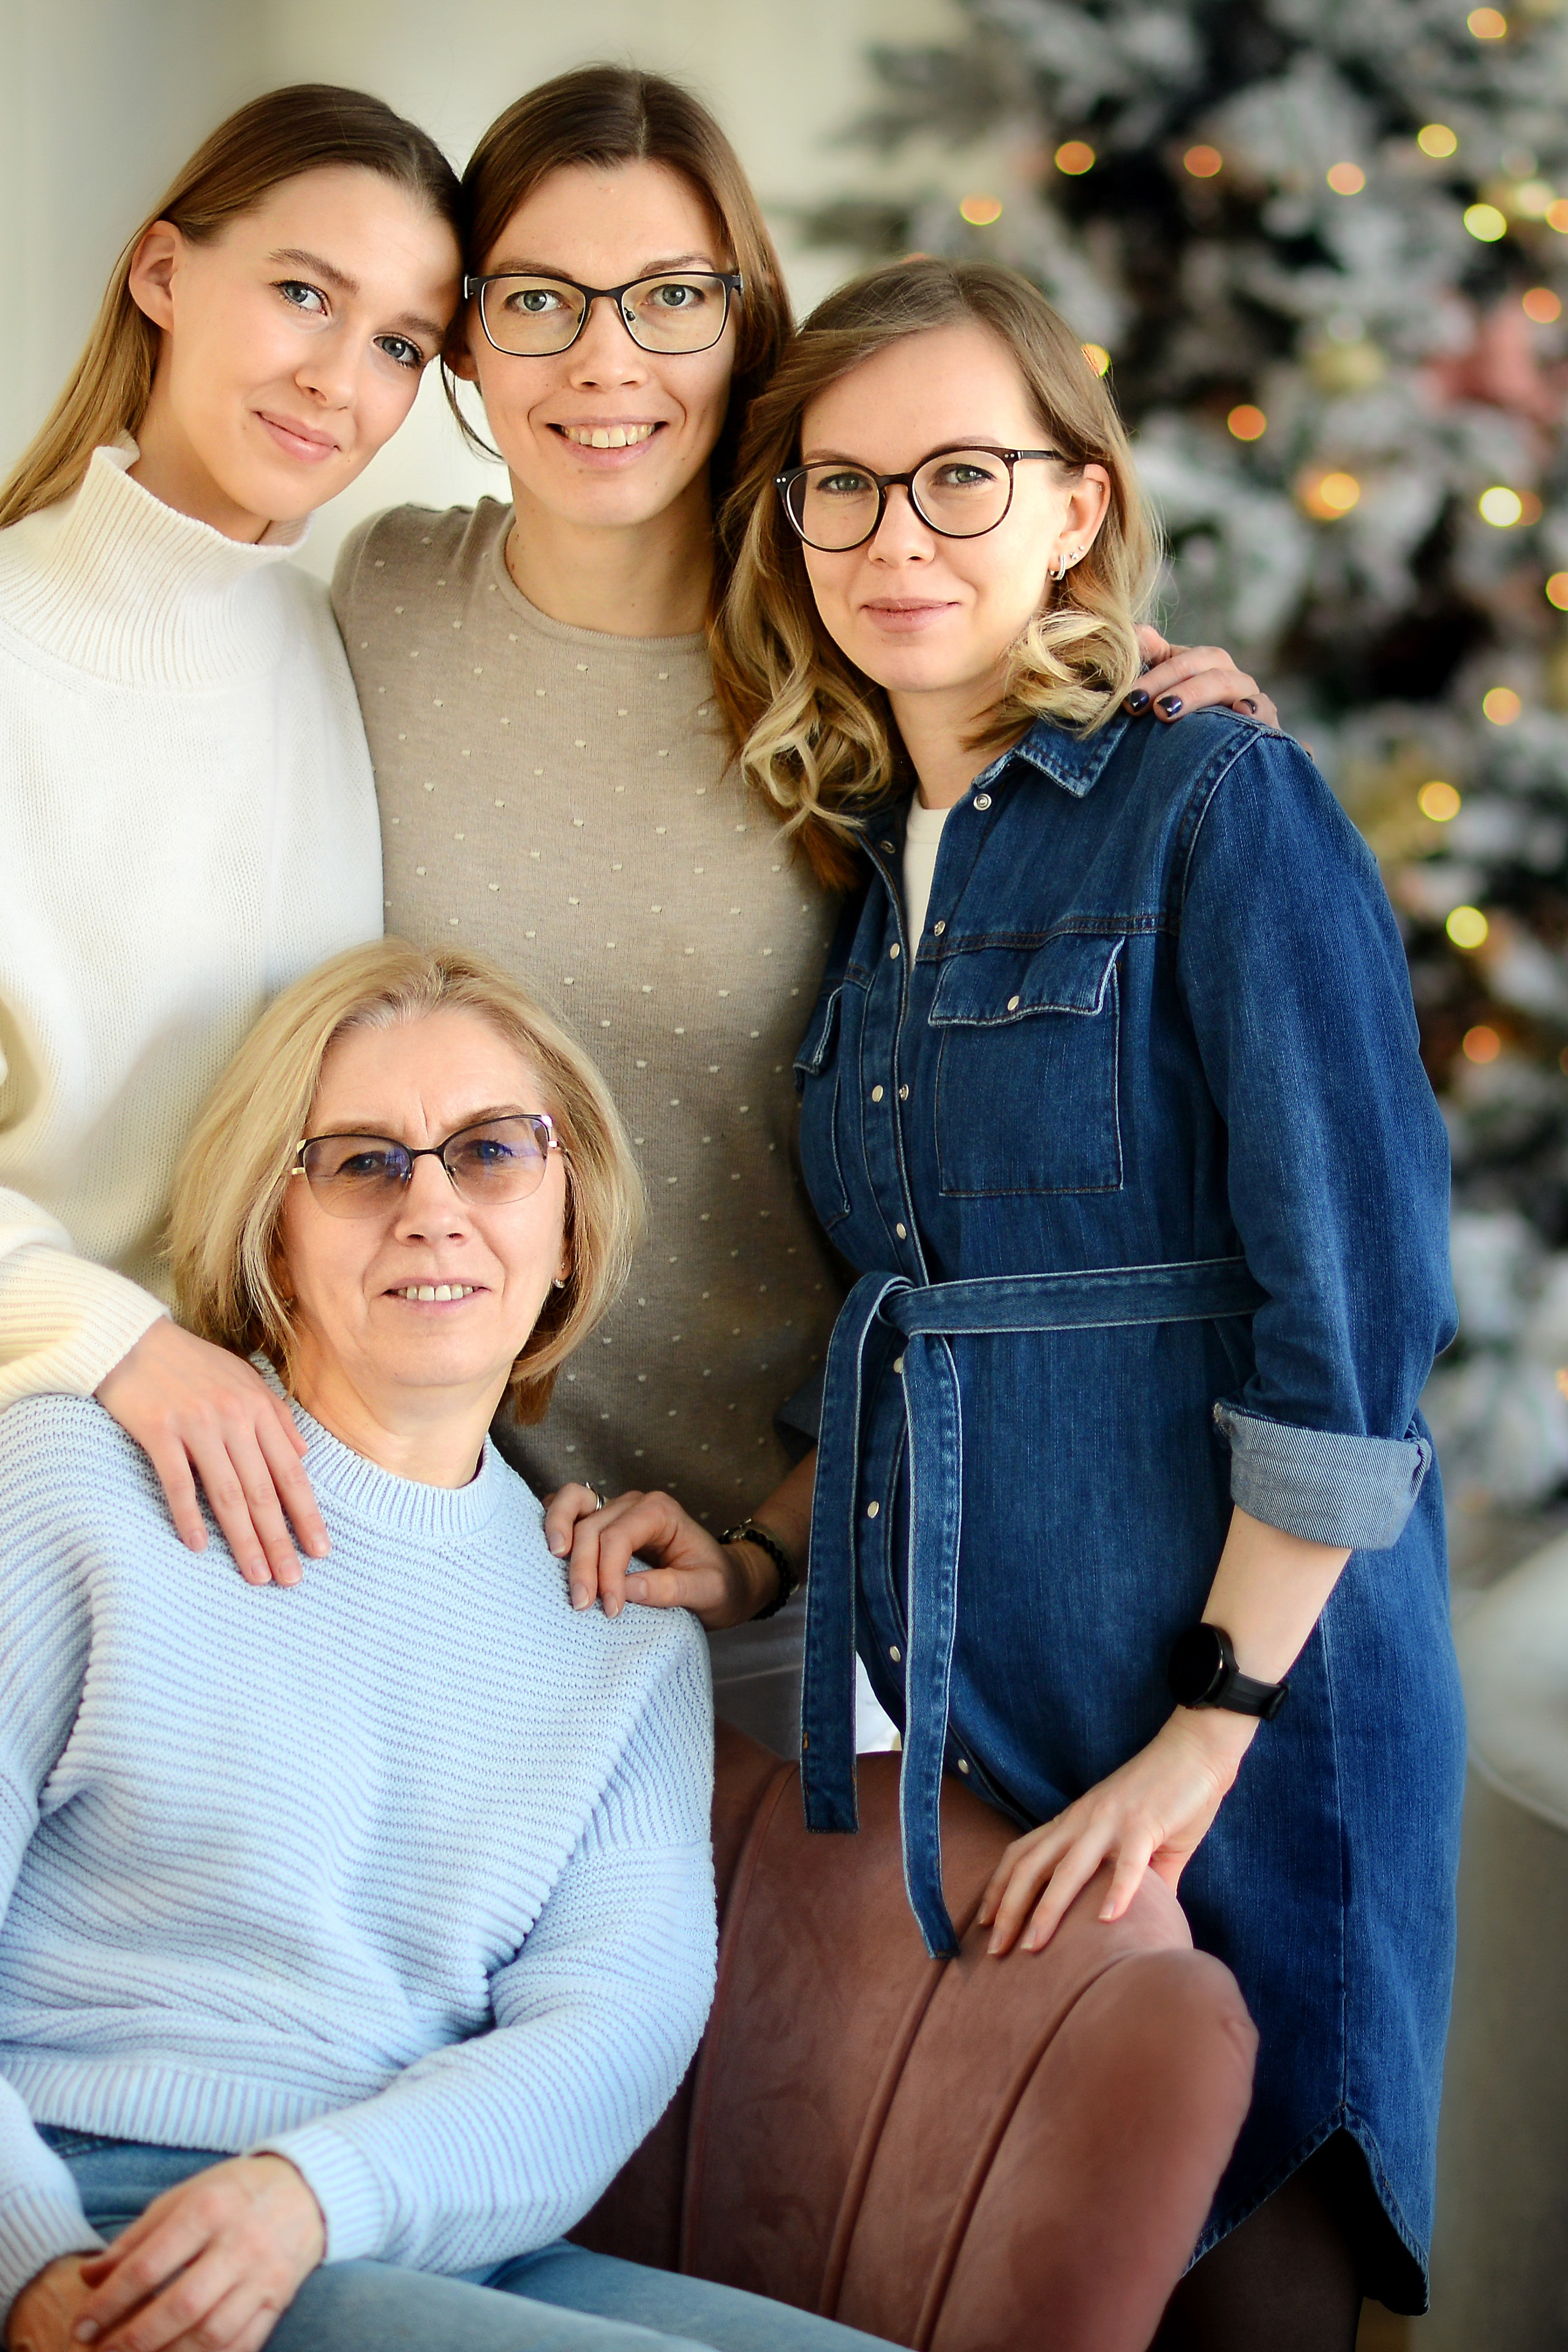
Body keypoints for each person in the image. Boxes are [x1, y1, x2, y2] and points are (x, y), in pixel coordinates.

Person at [547, 258, 1464, 2350]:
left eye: (963, 478)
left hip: (1248, 1721)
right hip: (970, 1723)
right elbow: (924, 1302)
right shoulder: (873, 867)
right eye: (842, 491)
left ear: (1076, 501)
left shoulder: (1220, 805)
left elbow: (1355, 1330)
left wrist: (1204, 1744)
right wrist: (762, 1542)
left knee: (1251, 2296)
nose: (898, 542)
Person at [333, 61, 1278, 1753]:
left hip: (784, 1574)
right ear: (465, 335)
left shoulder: (852, 654)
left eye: (672, 298)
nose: (607, 360)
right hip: (425, 1537)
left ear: (746, 321)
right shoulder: (378, 595)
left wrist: (1142, 685)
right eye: (540, 298)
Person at [0, 940, 897, 2352]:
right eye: (362, 1163)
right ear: (270, 1225)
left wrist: (314, 2195)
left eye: (488, 1152)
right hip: (99, 2219)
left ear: (566, 1222)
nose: (431, 1207)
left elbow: (608, 2039)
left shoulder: (615, 1632)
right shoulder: (74, 1479)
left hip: (406, 2233)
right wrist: (24, 2261)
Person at [0, 86, 462, 1582]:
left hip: (290, 1458)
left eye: (399, 344)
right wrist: (110, 1338)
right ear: (162, 275)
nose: (339, 379)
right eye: (302, 295)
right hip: (59, 1427)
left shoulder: (332, 634)